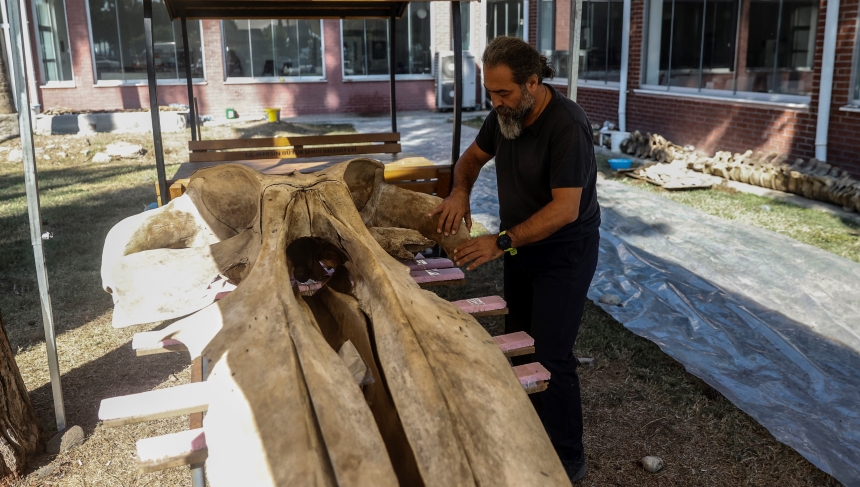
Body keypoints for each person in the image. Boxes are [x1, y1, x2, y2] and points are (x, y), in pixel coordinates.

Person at [429, 36, 600, 484]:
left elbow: (565, 210)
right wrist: (460, 190)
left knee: (552, 353)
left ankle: (567, 459)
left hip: (565, 252)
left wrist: (500, 242)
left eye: (503, 93)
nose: (495, 102)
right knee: (520, 342)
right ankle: (528, 432)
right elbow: (471, 159)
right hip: (521, 247)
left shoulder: (568, 126)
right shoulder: (505, 114)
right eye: (489, 92)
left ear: (532, 83)